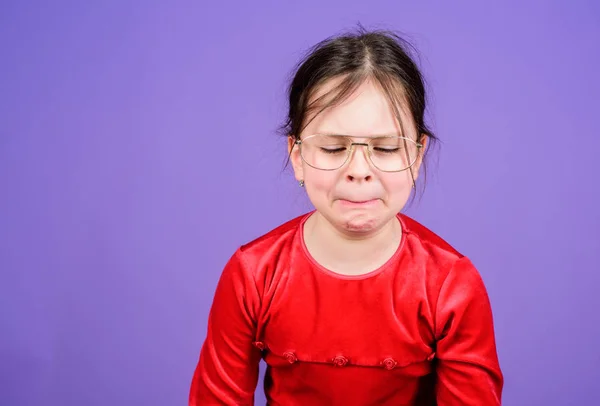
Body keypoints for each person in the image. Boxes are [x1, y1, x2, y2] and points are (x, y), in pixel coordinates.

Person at [189, 27, 503, 405]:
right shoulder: (253, 275)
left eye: (386, 148)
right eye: (334, 147)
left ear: (418, 156)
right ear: (296, 155)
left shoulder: (450, 285)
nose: (359, 169)